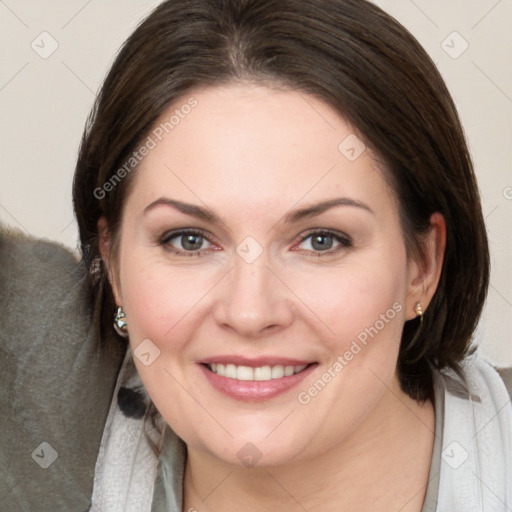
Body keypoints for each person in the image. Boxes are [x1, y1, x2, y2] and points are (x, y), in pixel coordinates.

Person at [39, 0, 512, 510]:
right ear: (111, 263)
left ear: (422, 265)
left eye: (321, 240)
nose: (250, 312)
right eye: (189, 240)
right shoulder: (36, 435)